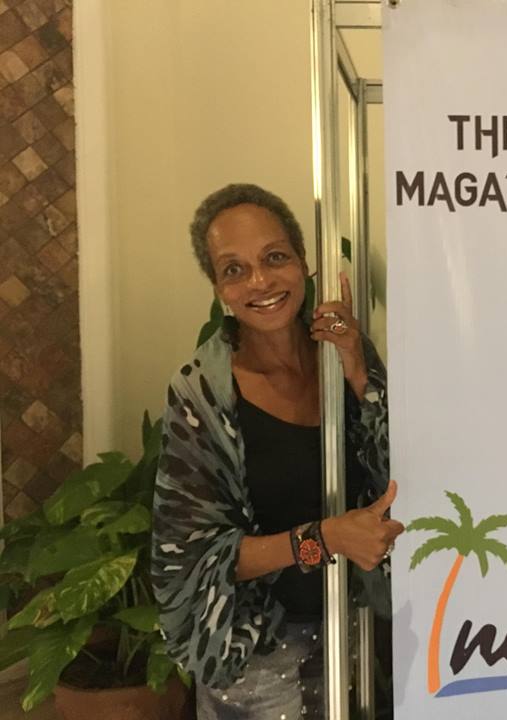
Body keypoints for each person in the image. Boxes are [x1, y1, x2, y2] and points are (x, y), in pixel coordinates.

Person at [150, 183, 403, 719]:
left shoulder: (340, 358)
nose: (260, 281)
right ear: (218, 287)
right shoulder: (203, 394)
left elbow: (401, 474)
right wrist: (323, 539)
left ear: (303, 262)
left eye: (274, 257)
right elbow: (197, 559)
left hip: (357, 633)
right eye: (234, 269)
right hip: (257, 657)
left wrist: (359, 368)